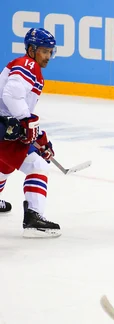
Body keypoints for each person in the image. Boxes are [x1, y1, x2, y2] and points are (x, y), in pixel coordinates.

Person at [0, 27, 60, 237]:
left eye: (50, 52)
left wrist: (39, 137)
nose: (48, 56)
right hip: (3, 127)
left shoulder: (28, 66)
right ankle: (34, 219)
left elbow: (21, 111)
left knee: (5, 166)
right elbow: (11, 95)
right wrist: (28, 122)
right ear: (32, 49)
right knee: (38, 166)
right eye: (44, 51)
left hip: (5, 127)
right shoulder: (28, 64)